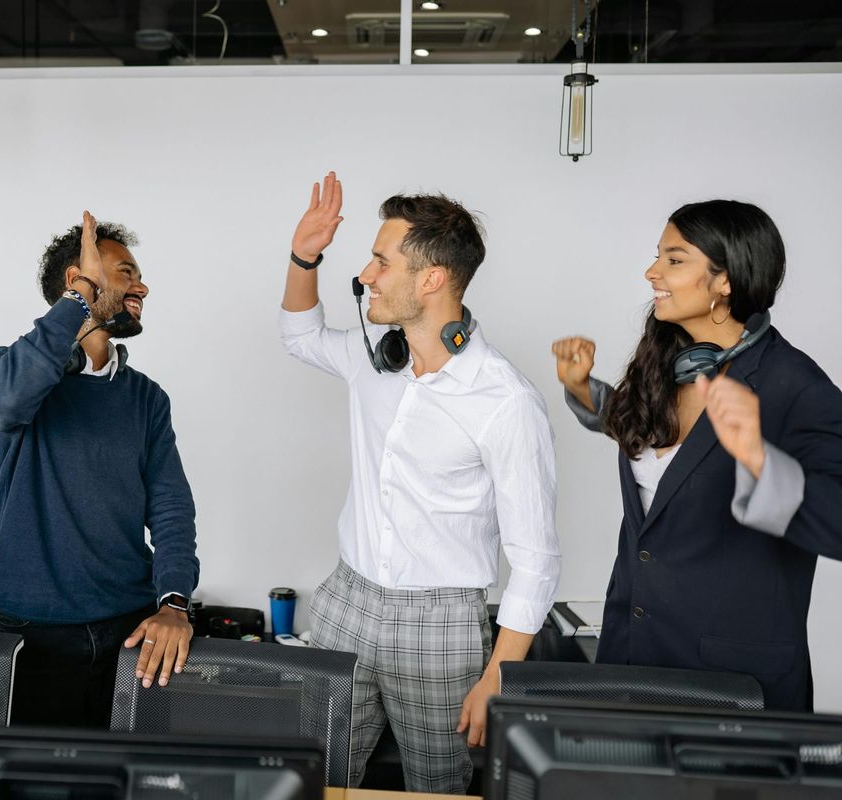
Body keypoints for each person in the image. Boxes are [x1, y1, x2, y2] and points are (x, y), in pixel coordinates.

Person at [280, 172, 561, 793]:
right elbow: (299, 336)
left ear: (431, 279)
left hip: (441, 623)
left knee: (438, 788)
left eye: (382, 261)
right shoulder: (373, 353)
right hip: (345, 603)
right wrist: (305, 255)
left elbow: (536, 559)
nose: (366, 275)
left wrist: (497, 676)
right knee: (309, 777)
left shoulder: (506, 401)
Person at [552, 199, 842, 711]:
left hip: (733, 684)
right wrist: (583, 391)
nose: (652, 272)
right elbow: (651, 443)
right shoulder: (673, 360)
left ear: (724, 280)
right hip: (633, 657)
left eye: (674, 259)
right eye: (657, 256)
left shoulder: (796, 385)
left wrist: (757, 457)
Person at [0, 211, 199, 728]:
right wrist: (81, 296)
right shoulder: (6, 370)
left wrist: (174, 604)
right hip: (34, 633)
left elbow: (170, 509)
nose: (142, 285)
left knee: (134, 779)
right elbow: (8, 401)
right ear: (81, 283)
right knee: (39, 782)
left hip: (134, 630)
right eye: (124, 272)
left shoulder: (146, 397)